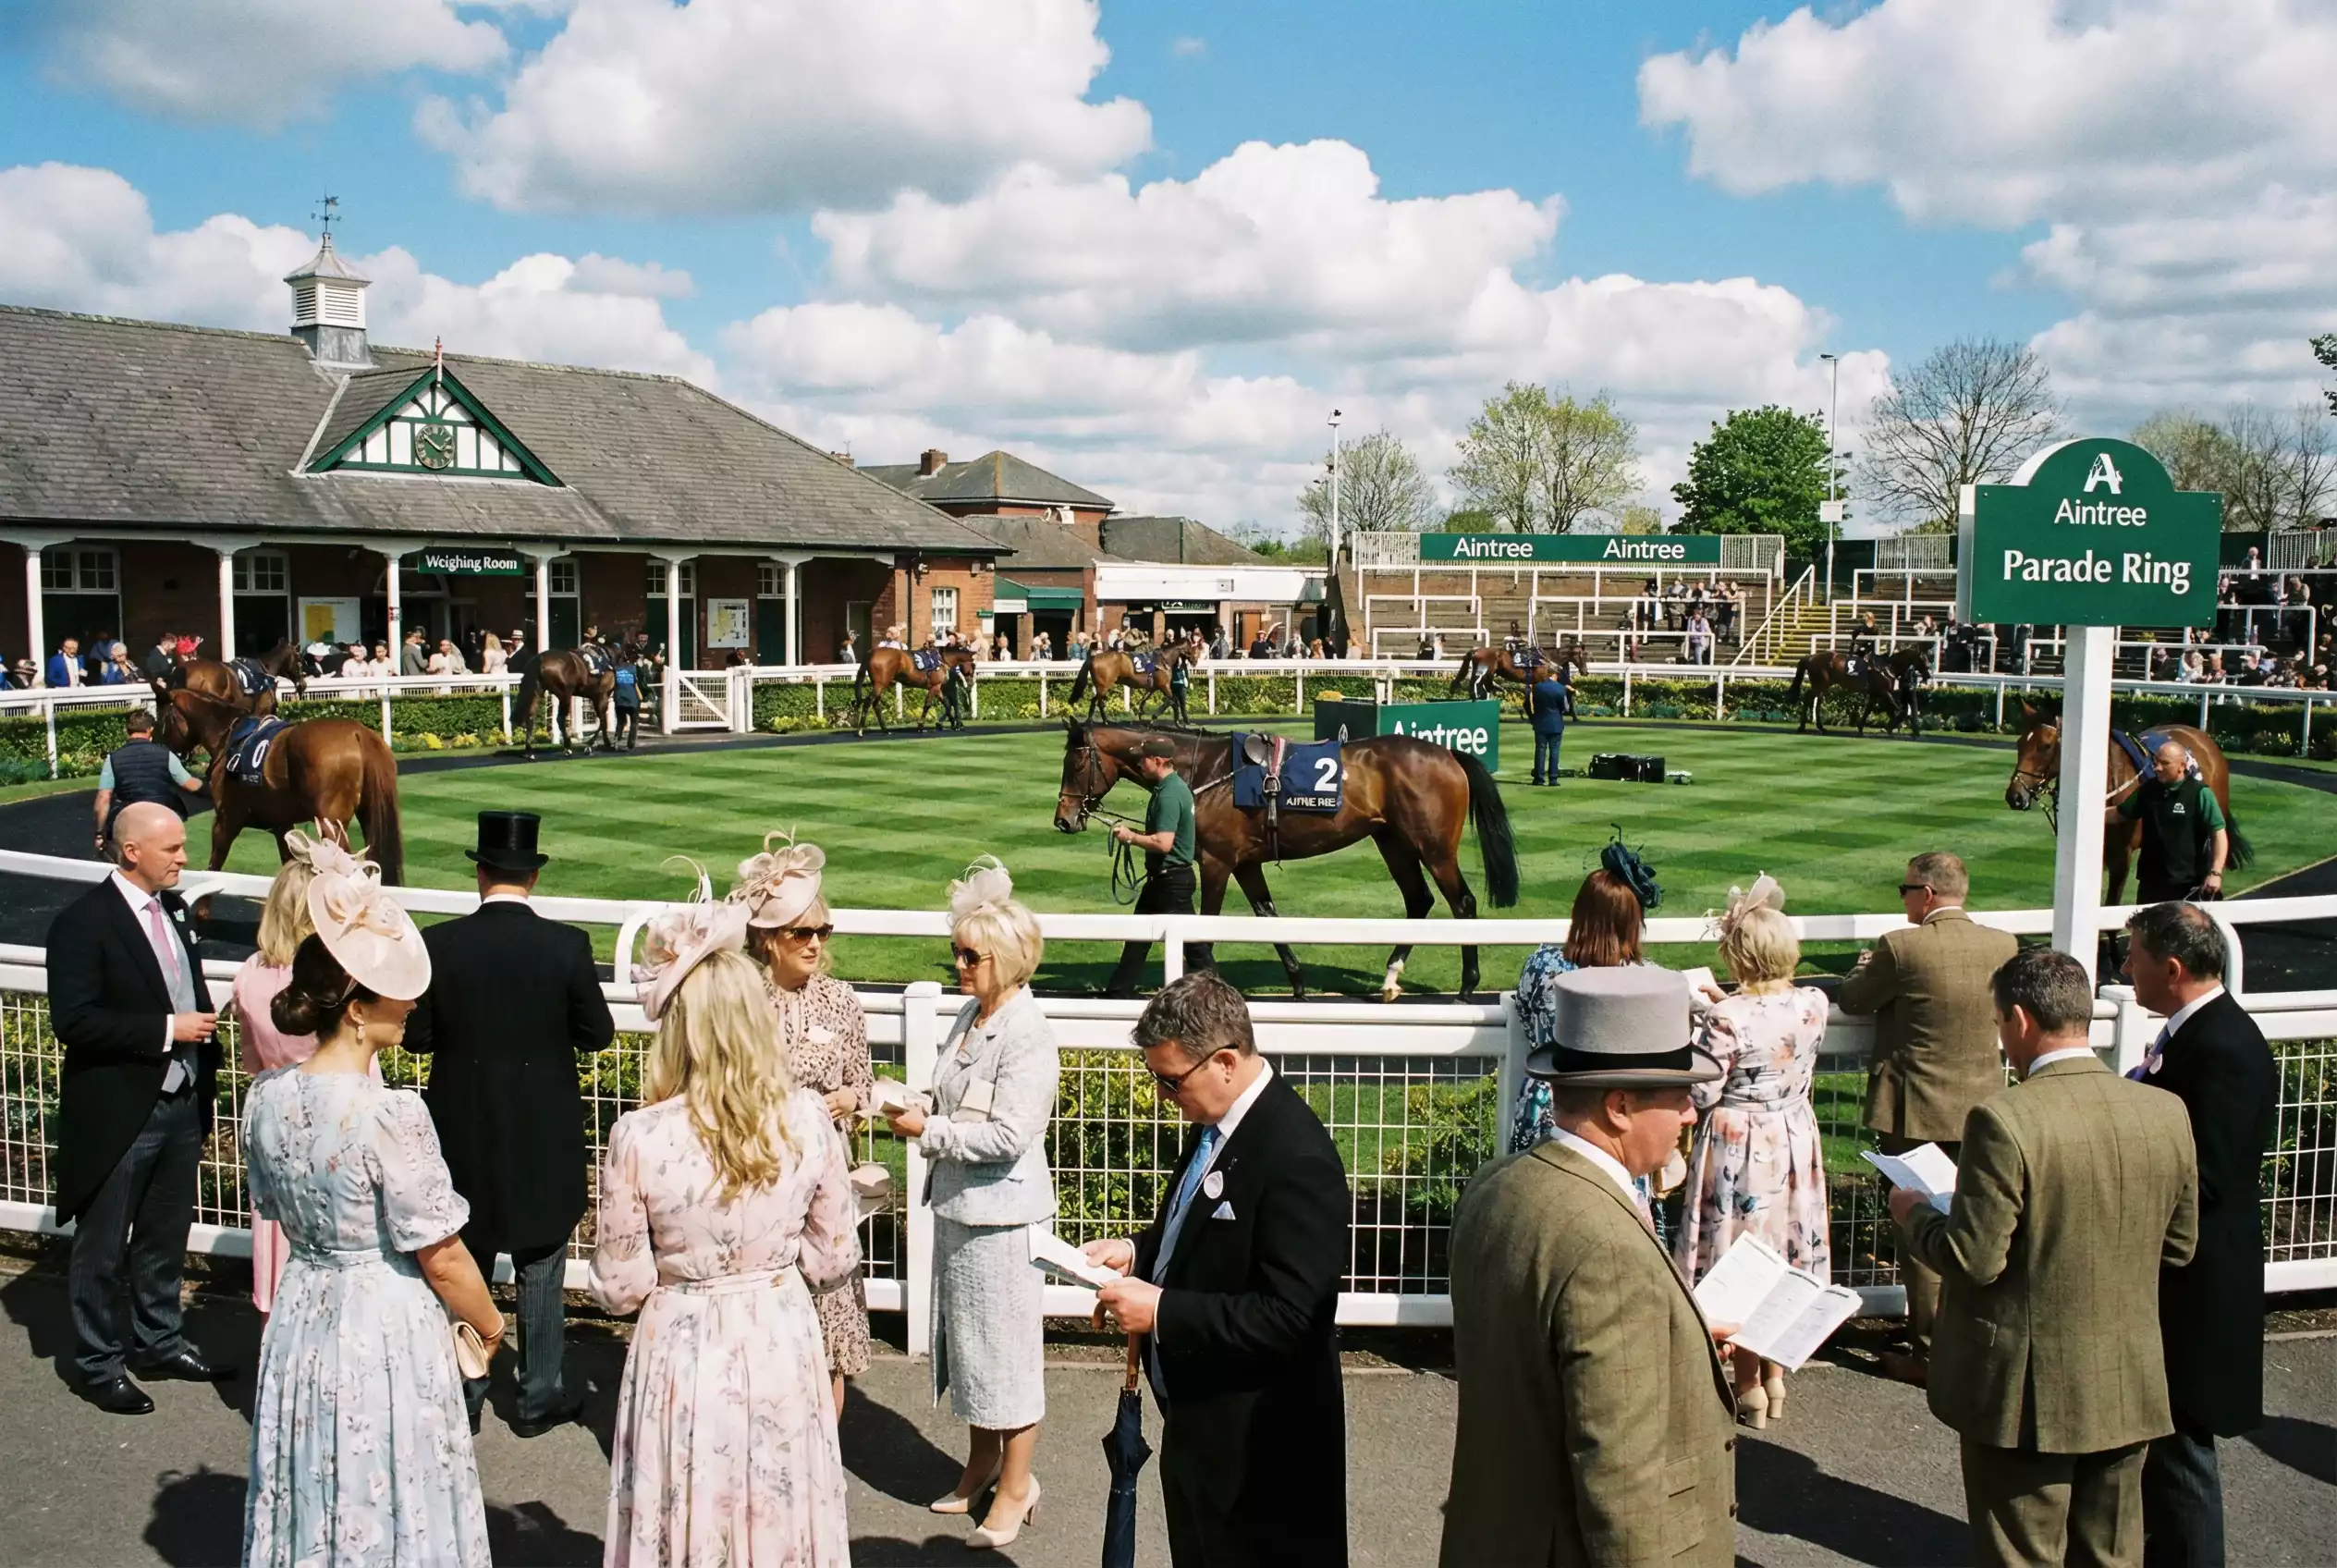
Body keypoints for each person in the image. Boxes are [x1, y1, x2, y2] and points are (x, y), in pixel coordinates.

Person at [1888, 949, 2197, 1568]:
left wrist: (1916, 1215)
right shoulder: (2165, 1111)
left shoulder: (2005, 1119)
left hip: (2027, 1394)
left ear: (2021, 1020)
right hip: (2128, 1381)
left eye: (2001, 1022)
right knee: (2112, 1556)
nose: (2002, 1036)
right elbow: (2180, 1246)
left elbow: (1973, 1260)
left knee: (2024, 1554)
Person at [241, 843, 498, 1567]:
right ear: (357, 1010)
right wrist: (488, 1322)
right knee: (393, 1484)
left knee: (312, 1480)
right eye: (395, 992)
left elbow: (270, 1202)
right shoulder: (392, 1113)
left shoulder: (266, 1098)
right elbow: (441, 1253)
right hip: (381, 1323)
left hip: (302, 1315)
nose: (411, 1001)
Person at [593, 892, 860, 1566]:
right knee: (780, 1507)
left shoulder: (639, 1136)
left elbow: (620, 1288)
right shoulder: (807, 1120)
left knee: (686, 1506)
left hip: (682, 1346)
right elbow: (834, 1259)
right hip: (778, 1334)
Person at [1441, 966, 1735, 1568]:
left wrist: (1678, 1335)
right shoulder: (1607, 1245)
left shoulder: (1495, 1187)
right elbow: (1621, 1480)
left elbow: (1547, 1349)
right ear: (1620, 1105)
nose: (1688, 1115)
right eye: (1678, 1096)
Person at [1087, 971, 1351, 1566]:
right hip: (1204, 1431)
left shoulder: (1296, 1155)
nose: (1162, 1094)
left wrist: (1160, 1310)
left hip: (1262, 1455)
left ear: (1225, 1062)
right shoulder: (1218, 1122)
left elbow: (1291, 1316)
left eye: (1170, 1080)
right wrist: (1140, 1251)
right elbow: (1207, 1235)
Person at [404, 810, 616, 1436]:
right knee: (543, 1262)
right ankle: (539, 1393)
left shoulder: (439, 944)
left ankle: (467, 1387)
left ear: (480, 872)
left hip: (462, 1129)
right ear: (532, 877)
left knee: (464, 1258)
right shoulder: (566, 946)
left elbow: (417, 1039)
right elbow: (598, 1034)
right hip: (542, 1129)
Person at [884, 858, 1058, 1549]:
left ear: (1008, 960)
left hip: (1005, 1220)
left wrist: (930, 1130)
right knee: (973, 1352)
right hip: (960, 1210)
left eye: (970, 955)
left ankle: (1018, 1485)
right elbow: (949, 1092)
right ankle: (982, 1463)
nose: (958, 964)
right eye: (955, 952)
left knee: (1008, 1357)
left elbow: (1013, 1135)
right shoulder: (970, 1013)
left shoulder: (1028, 1031)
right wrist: (913, 1101)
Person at [45, 802, 231, 1415]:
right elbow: (74, 1021)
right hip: (120, 1110)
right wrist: (165, 1029)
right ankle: (99, 1362)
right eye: (173, 849)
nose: (184, 857)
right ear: (132, 852)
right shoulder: (82, 923)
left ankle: (159, 1340)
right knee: (101, 1248)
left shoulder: (175, 910)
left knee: (163, 1236)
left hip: (181, 1103)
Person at [2122, 903, 2279, 1567]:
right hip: (2186, 1275)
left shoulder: (2221, 1046)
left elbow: (2207, 1176)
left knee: (2182, 1452)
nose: (2126, 968)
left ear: (2173, 967)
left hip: (2198, 1282)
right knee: (2165, 1450)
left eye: (2134, 957)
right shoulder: (2198, 1035)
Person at [1836, 850, 2019, 1386]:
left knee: (1918, 1230)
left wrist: (1864, 967)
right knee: (1981, 1224)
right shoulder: (2002, 944)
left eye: (1906, 890)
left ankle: (1930, 1349)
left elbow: (1854, 999)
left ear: (1929, 895)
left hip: (1914, 1110)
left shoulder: (1902, 947)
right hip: (1983, 1108)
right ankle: (1968, 1338)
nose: (1905, 899)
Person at [1673, 876, 1830, 1429]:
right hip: (1793, 1135)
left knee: (1738, 1255)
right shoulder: (1814, 1003)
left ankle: (1746, 1385)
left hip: (1739, 1141)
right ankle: (1775, 1378)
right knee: (1784, 1250)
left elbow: (1702, 1089)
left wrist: (1709, 1011)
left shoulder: (1727, 1019)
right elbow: (1775, 1022)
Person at [733, 831, 875, 1415]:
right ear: (768, 939)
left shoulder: (841, 999)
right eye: (801, 932)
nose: (815, 943)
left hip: (824, 1175)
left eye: (823, 931)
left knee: (827, 1311)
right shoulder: (739, 998)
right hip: (758, 1172)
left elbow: (863, 1081)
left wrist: (847, 1097)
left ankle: (823, 1458)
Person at [226, 834, 367, 1316]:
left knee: (280, 1241)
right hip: (343, 1127)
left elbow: (251, 1060)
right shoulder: (341, 981)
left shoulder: (249, 973)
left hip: (277, 1125)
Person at [1508, 845, 1658, 1153]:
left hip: (1544, 1104)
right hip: (1611, 1115)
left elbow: (1526, 1017)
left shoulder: (1540, 964)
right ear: (1630, 922)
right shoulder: (1645, 978)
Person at [1106, 735, 1203, 997]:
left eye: (1144, 758)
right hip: (1163, 880)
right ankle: (1117, 991)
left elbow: (1163, 843)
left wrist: (1131, 837)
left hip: (1171, 882)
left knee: (1196, 950)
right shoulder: (1169, 787)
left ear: (1158, 761)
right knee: (1138, 938)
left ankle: (1217, 996)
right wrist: (1135, 833)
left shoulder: (1170, 794)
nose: (1139, 763)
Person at [2118, 741, 2229, 904]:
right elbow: (2120, 813)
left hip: (2187, 885)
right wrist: (2085, 813)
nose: (2157, 768)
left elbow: (2218, 833)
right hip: (2150, 882)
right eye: (2155, 762)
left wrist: (2216, 872)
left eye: (2165, 763)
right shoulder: (2148, 789)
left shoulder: (2199, 793)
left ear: (2182, 766)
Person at [92, 709, 203, 855]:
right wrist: (215, 790)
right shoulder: (166, 755)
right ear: (150, 730)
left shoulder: (113, 759)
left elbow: (103, 798)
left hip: (130, 818)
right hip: (162, 818)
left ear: (127, 731)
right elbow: (190, 784)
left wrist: (99, 834)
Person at [1527, 662, 1573, 786]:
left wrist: (1534, 717)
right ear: (1555, 675)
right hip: (1555, 723)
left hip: (1541, 723)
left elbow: (1531, 704)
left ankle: (1539, 778)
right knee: (1554, 751)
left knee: (1540, 751)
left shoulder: (1537, 687)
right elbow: (1565, 708)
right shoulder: (1560, 688)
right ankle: (1553, 778)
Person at [611, 654, 642, 749]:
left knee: (620, 721)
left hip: (619, 699)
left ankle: (616, 739)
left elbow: (614, 684)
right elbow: (635, 684)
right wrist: (640, 697)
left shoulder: (616, 669)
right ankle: (631, 744)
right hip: (632, 699)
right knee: (634, 722)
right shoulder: (633, 668)